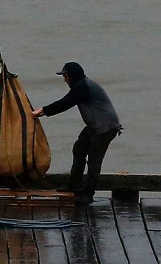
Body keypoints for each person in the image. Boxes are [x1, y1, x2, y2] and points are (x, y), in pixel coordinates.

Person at [31, 61, 122, 205]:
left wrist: (43, 111)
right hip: (94, 126)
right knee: (79, 148)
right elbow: (67, 101)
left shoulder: (82, 87)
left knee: (94, 161)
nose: (65, 80)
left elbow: (65, 103)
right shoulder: (81, 85)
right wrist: (45, 111)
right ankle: (74, 186)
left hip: (105, 128)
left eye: (66, 76)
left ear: (72, 76)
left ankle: (88, 194)